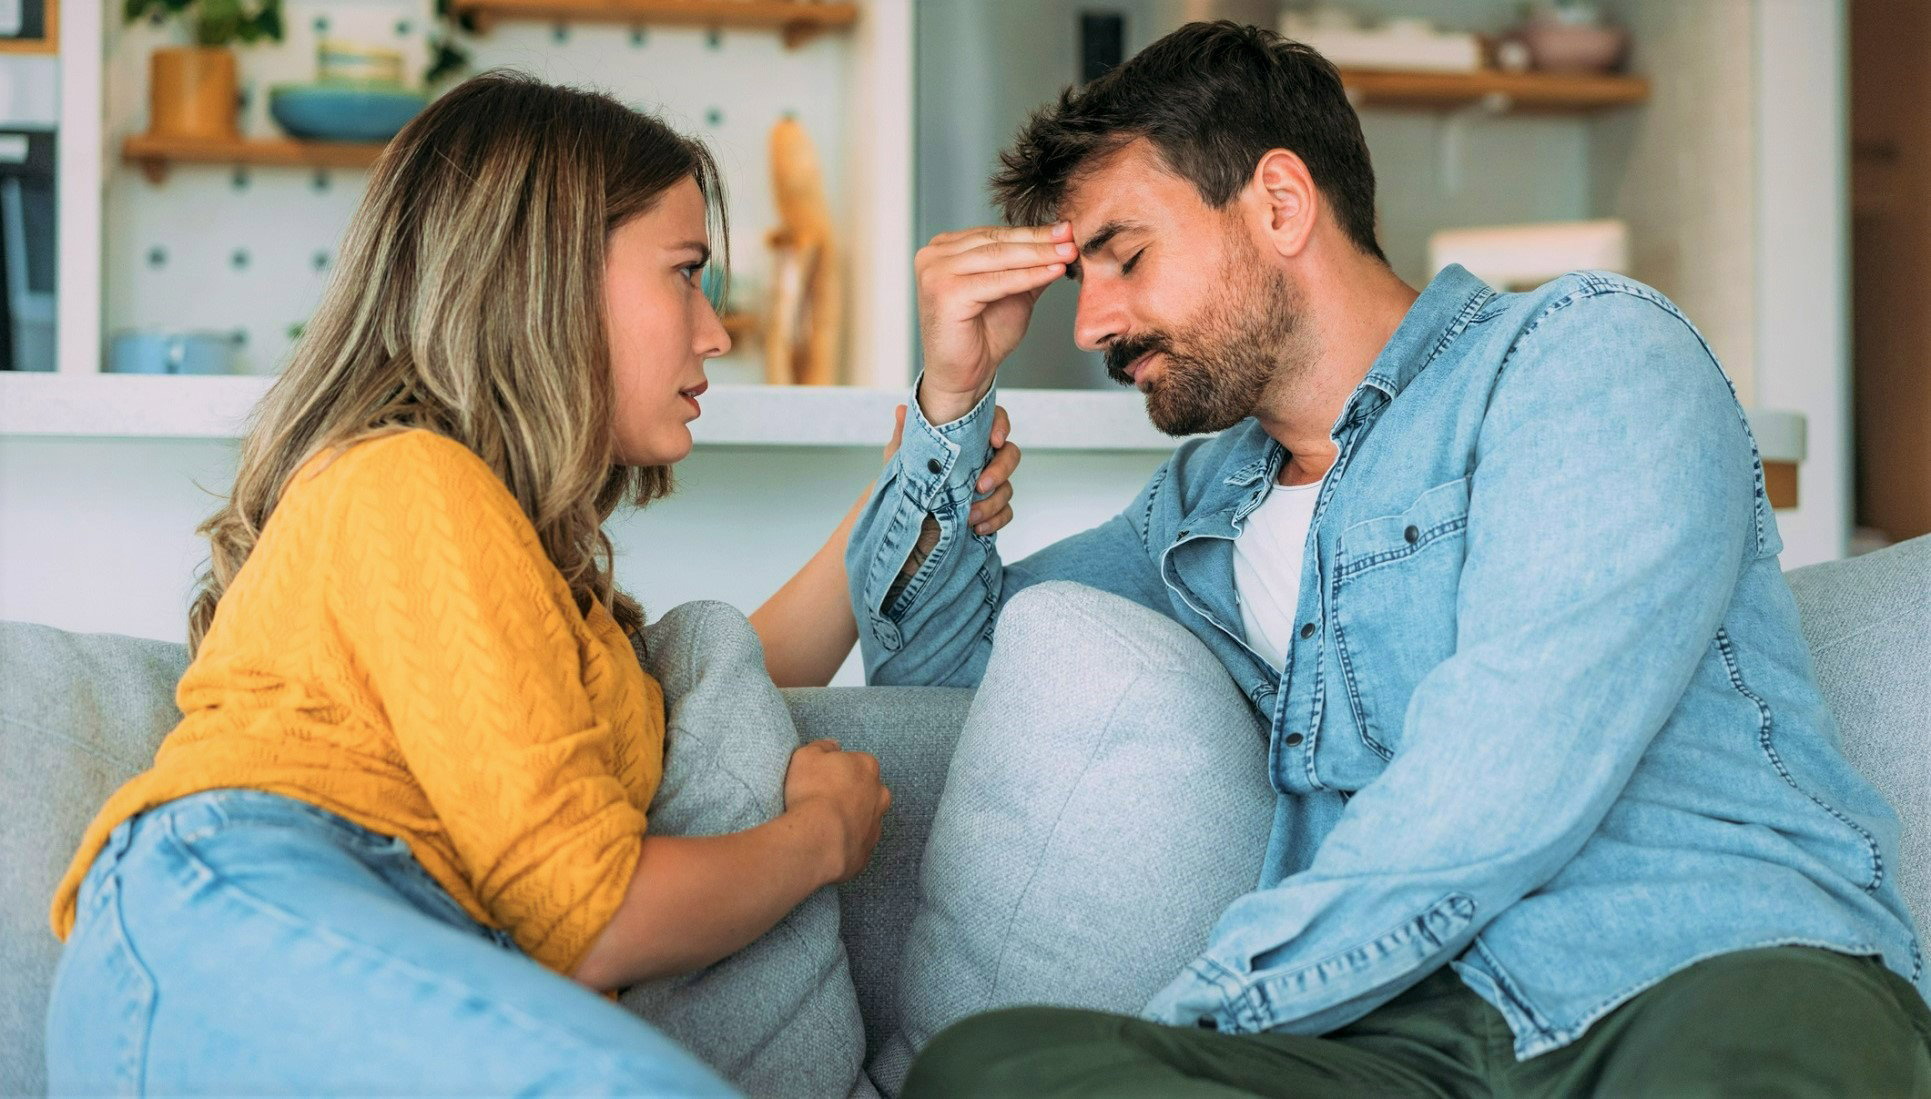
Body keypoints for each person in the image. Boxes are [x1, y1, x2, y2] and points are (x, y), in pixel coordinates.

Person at [846, 20, 1931, 1096]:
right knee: (987, 1070)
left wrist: (1209, 1017)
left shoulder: (1584, 352)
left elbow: (1503, 770)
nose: (1091, 324)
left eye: (1124, 258)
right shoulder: (1196, 510)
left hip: (1694, 967)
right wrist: (950, 400)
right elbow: (947, 678)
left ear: (1279, 203)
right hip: (1410, 1034)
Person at [43, 71, 1021, 1095]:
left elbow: (725, 680)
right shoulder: (405, 479)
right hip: (246, 911)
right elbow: (590, 918)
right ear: (543, 278)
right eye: (684, 273)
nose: (715, 332)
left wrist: (931, 450)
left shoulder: (532, 582)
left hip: (341, 937)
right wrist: (819, 837)